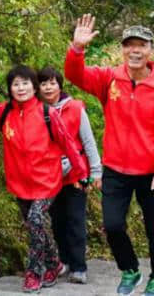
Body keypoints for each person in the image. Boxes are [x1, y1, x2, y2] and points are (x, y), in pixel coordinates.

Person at [64, 14, 154, 296]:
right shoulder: (109, 78)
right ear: (123, 49)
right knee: (113, 226)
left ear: (150, 49)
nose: (135, 50)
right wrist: (77, 49)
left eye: (141, 45)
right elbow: (75, 75)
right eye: (129, 45)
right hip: (115, 169)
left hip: (151, 172)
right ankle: (129, 269)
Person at [0, 65, 87, 293]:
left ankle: (34, 272)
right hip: (19, 183)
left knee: (37, 220)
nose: (21, 88)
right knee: (34, 226)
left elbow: (68, 144)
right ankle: (55, 263)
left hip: (47, 181)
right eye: (16, 84)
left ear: (34, 87)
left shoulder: (48, 113)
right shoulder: (4, 113)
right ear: (10, 89)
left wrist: (80, 175)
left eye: (26, 83)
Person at [37, 66, 102, 284]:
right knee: (57, 221)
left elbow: (88, 141)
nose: (48, 87)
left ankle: (79, 266)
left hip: (76, 174)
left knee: (75, 219)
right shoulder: (36, 110)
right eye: (44, 83)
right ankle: (63, 261)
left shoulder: (74, 108)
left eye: (52, 83)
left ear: (60, 85)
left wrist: (95, 171)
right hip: (50, 176)